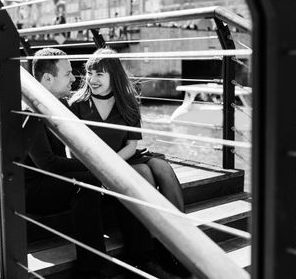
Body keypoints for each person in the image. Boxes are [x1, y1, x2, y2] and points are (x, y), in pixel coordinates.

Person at [69, 47, 188, 277]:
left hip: (125, 156)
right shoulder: (78, 104)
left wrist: (111, 163)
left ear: (114, 75)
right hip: (95, 164)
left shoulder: (128, 101)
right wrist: (100, 167)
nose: (92, 79)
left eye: (100, 74)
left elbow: (131, 146)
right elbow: (73, 148)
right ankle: (151, 254)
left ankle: (180, 245)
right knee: (144, 172)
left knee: (162, 168)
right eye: (90, 73)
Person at [24, 47, 107, 279]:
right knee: (87, 183)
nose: (74, 78)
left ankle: (141, 254)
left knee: (104, 181)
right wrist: (95, 168)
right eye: (68, 73)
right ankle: (90, 270)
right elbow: (47, 164)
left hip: (53, 183)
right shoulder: (30, 109)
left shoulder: (59, 103)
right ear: (47, 78)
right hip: (30, 191)